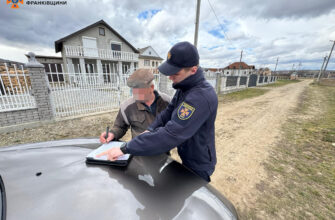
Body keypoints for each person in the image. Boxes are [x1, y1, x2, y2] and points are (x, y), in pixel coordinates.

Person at [98, 41, 218, 182]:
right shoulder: (184, 89)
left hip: (199, 161)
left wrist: (125, 148)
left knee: (191, 194)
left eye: (176, 72)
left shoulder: (200, 97)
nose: (170, 77)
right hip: (185, 154)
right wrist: (150, 130)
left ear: (193, 69)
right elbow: (167, 113)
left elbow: (170, 134)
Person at [99, 68, 171, 143]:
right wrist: (112, 133)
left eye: (140, 90)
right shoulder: (127, 106)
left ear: (151, 88)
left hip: (163, 150)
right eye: (134, 89)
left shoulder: (167, 102)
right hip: (139, 150)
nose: (135, 94)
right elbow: (120, 127)